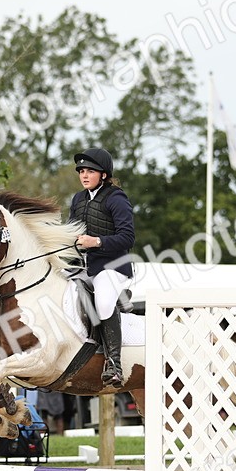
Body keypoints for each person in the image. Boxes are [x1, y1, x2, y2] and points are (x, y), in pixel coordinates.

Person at [69, 147, 135, 388]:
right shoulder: (78, 199)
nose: (84, 176)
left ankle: (114, 364)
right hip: (84, 266)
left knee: (104, 300)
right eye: (82, 171)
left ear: (104, 175)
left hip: (113, 267)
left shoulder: (116, 198)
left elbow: (128, 238)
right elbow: (71, 231)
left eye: (90, 171)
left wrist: (96, 241)